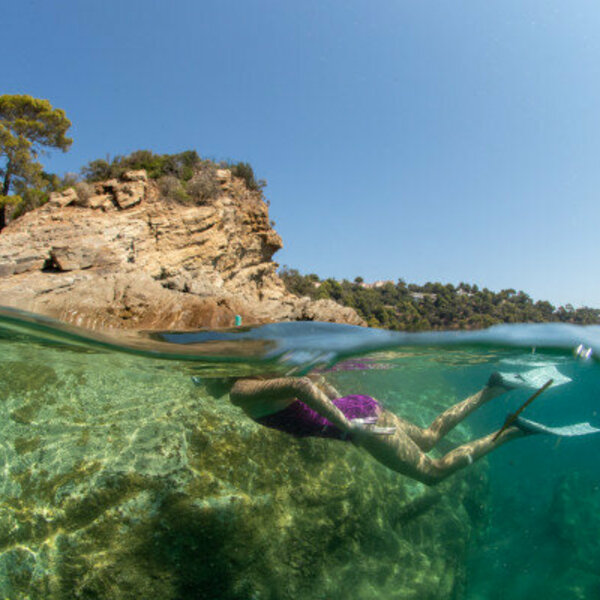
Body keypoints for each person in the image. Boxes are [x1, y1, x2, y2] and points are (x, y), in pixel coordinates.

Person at [198, 371, 595, 487]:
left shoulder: (239, 390)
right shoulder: (256, 373)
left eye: (199, 379)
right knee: (427, 437)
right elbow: (314, 382)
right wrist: (342, 409)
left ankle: (512, 432)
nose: (200, 384)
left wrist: (344, 423)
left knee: (432, 473)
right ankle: (491, 390)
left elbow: (302, 386)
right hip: (361, 410)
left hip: (359, 422)